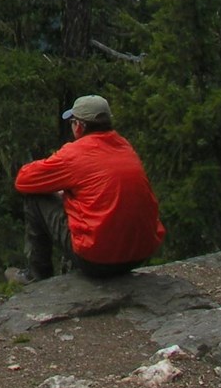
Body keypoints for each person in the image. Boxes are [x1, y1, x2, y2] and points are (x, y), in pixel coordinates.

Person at [12, 94, 164, 280]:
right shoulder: (124, 146)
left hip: (97, 261)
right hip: (139, 255)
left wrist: (60, 186)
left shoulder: (76, 153)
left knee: (34, 198)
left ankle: (36, 276)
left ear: (80, 126)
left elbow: (23, 180)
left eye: (73, 122)